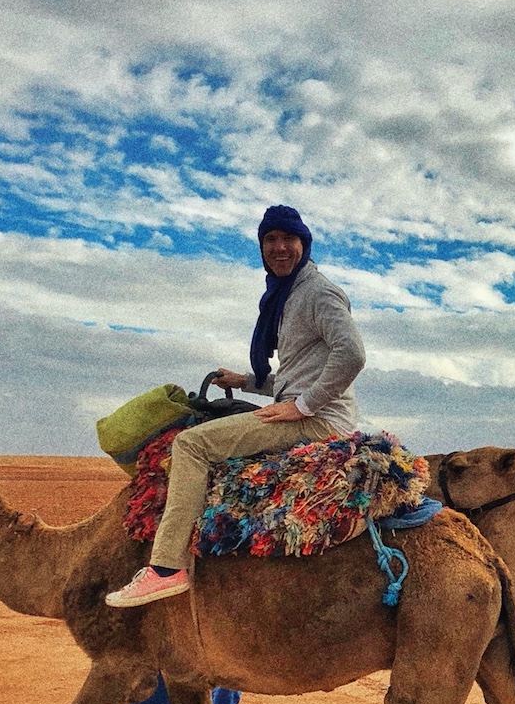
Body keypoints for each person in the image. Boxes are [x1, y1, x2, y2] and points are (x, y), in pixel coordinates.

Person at [107, 205, 367, 606]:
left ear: (304, 243)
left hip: (317, 422)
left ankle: (166, 567)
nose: (280, 248)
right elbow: (299, 372)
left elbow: (351, 354)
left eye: (288, 239)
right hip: (305, 410)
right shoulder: (288, 295)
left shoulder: (318, 292)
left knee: (191, 445)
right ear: (262, 248)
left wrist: (303, 406)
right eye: (270, 240)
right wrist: (246, 382)